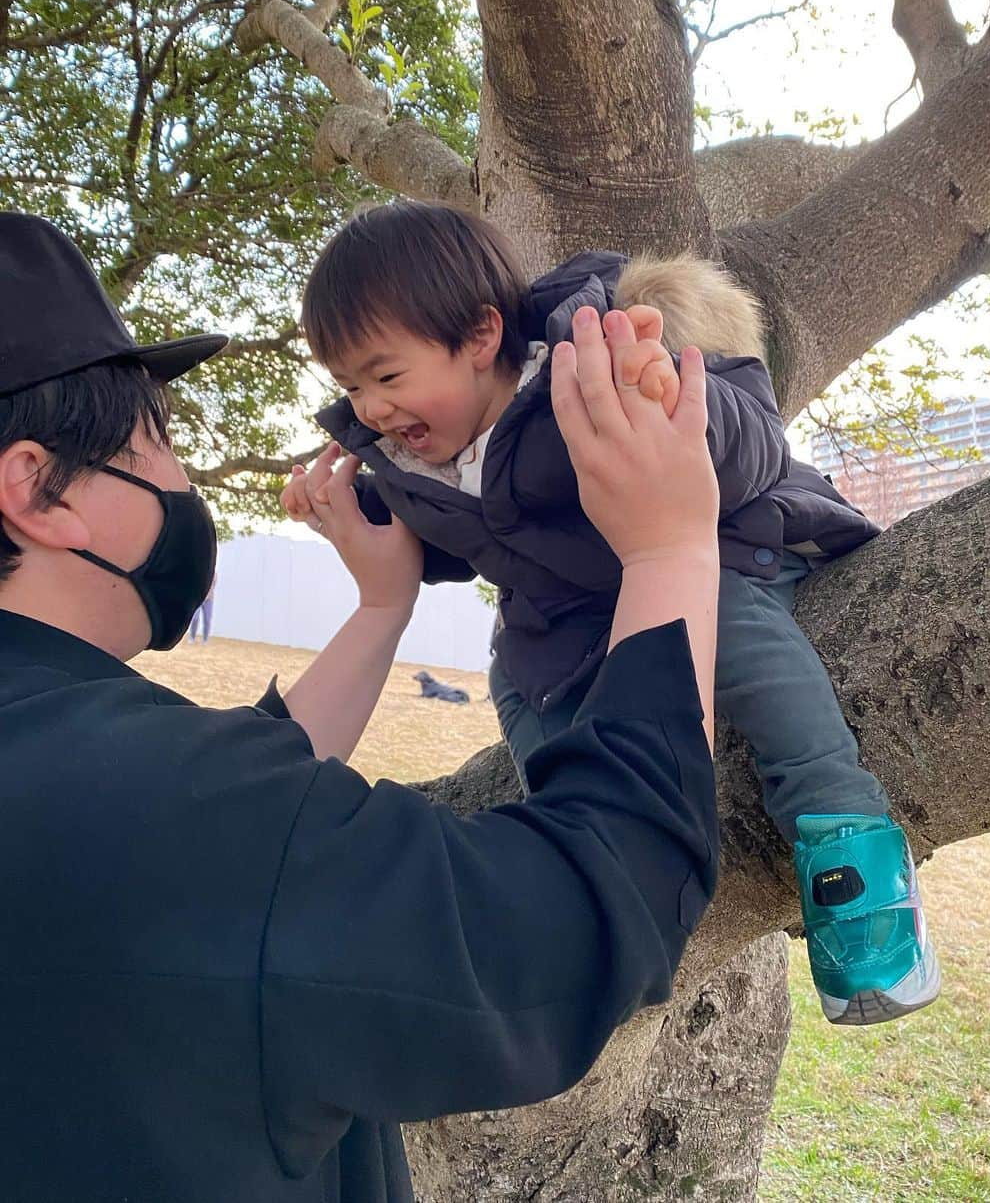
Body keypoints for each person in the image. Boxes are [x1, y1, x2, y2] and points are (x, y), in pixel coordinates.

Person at [0, 211, 724, 1203]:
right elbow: (588, 916)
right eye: (156, 443)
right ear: (39, 491)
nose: (177, 482)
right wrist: (671, 549)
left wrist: (383, 605)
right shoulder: (172, 812)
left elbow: (211, 814)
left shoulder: (103, 779)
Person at [287, 201, 941, 1027]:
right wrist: (364, 520)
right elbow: (476, 543)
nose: (372, 409)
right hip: (576, 615)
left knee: (734, 628)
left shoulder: (601, 355)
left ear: (483, 336)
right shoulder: (423, 466)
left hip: (719, 549)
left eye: (386, 377)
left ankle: (844, 828)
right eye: (351, 388)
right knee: (517, 679)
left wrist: (675, 405)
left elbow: (756, 447)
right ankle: (581, 855)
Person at [188, 571, 217, 642]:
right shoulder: (199, 572)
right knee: (195, 618)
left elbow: (212, 587)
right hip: (198, 599)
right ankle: (192, 637)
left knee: (207, 620)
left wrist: (206, 597)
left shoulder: (214, 574)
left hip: (209, 599)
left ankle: (205, 639)